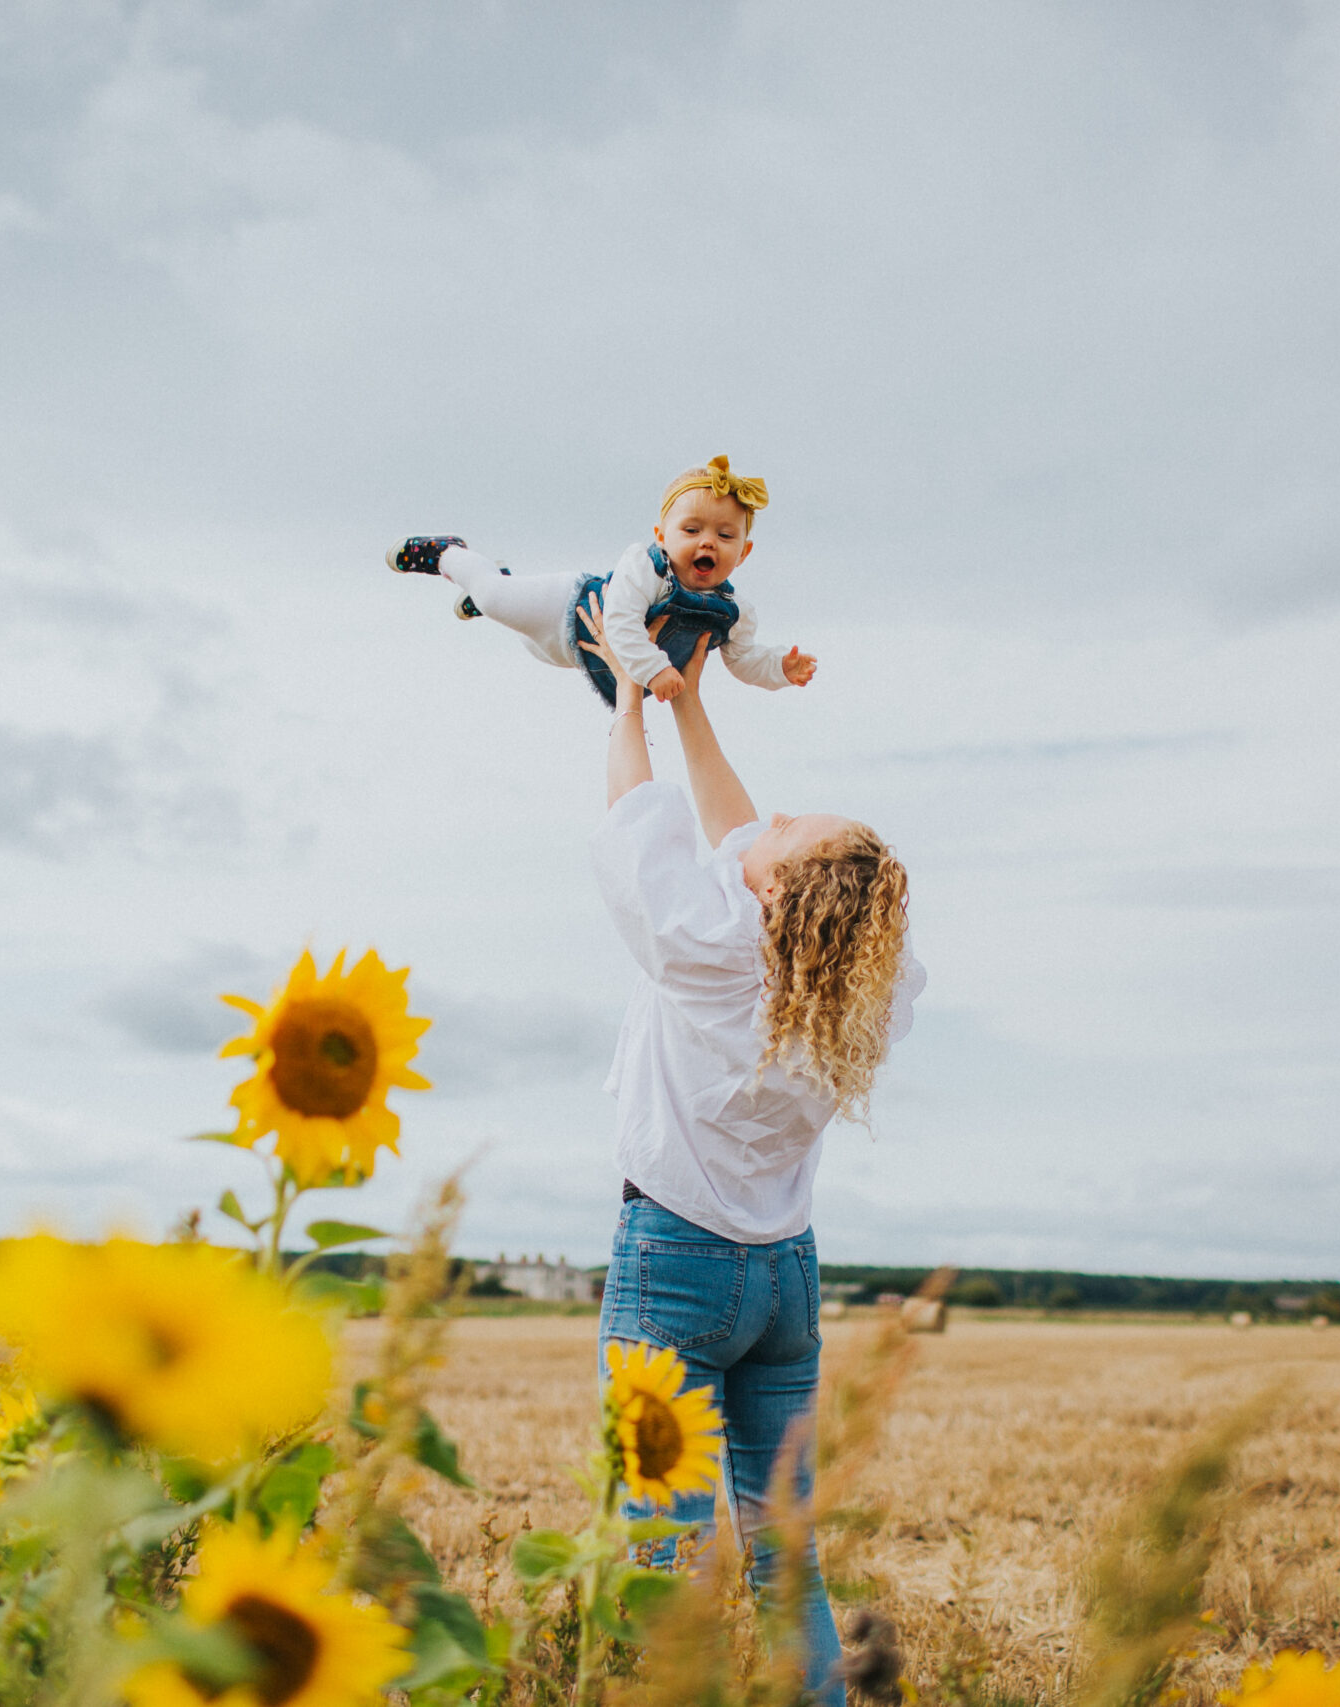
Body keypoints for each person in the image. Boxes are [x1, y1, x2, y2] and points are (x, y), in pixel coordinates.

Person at [579, 595, 918, 1707]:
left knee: (657, 1552)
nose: (764, 826)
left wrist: (629, 688)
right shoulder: (860, 1000)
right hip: (783, 1284)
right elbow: (736, 834)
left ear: (773, 896)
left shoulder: (706, 950)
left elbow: (638, 823)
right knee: (790, 1555)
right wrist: (696, 706)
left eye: (782, 834)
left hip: (673, 1266)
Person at [386, 456, 819, 707]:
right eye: (691, 531)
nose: (708, 543)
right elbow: (622, 622)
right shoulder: (646, 569)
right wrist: (653, 669)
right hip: (566, 607)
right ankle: (449, 554)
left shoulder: (734, 611)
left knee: (524, 639)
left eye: (725, 536)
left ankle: (493, 582)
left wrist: (778, 667)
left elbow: (742, 659)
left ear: (743, 552)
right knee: (499, 600)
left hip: (573, 656)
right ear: (661, 536)